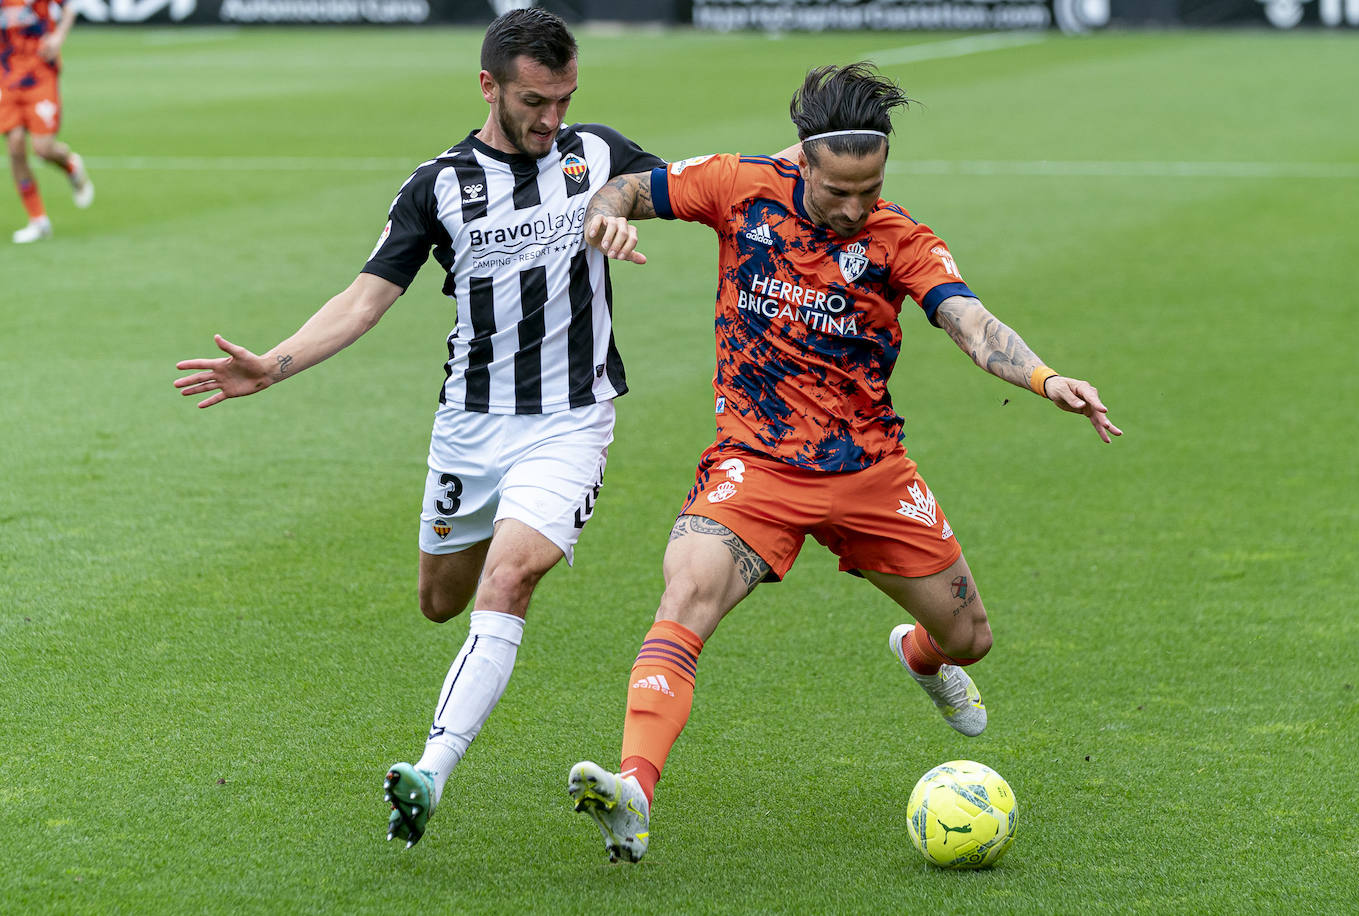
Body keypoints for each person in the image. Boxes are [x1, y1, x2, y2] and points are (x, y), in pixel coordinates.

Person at [567, 62, 1123, 864]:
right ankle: (633, 794)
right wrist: (606, 218)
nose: (856, 207)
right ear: (802, 160)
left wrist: (1045, 377)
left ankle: (920, 656)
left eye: (871, 189)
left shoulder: (898, 239)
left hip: (870, 472)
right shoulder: (737, 186)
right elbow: (626, 186)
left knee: (969, 639)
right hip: (754, 466)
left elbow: (967, 321)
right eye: (839, 192)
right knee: (686, 593)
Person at [173, 8, 664, 848]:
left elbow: (704, 184)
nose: (552, 118)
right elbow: (366, 298)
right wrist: (274, 366)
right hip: (468, 429)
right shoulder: (438, 184)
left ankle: (428, 772)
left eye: (565, 98)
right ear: (489, 87)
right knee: (442, 601)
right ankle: (450, 707)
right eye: (534, 100)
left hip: (571, 419)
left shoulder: (597, 153)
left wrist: (625, 202)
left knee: (507, 581)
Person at [2, 0, 94, 243]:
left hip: (39, 74)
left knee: (43, 148)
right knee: (15, 147)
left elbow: (70, 6)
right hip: (6, 75)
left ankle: (71, 166)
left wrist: (58, 37)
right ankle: (38, 220)